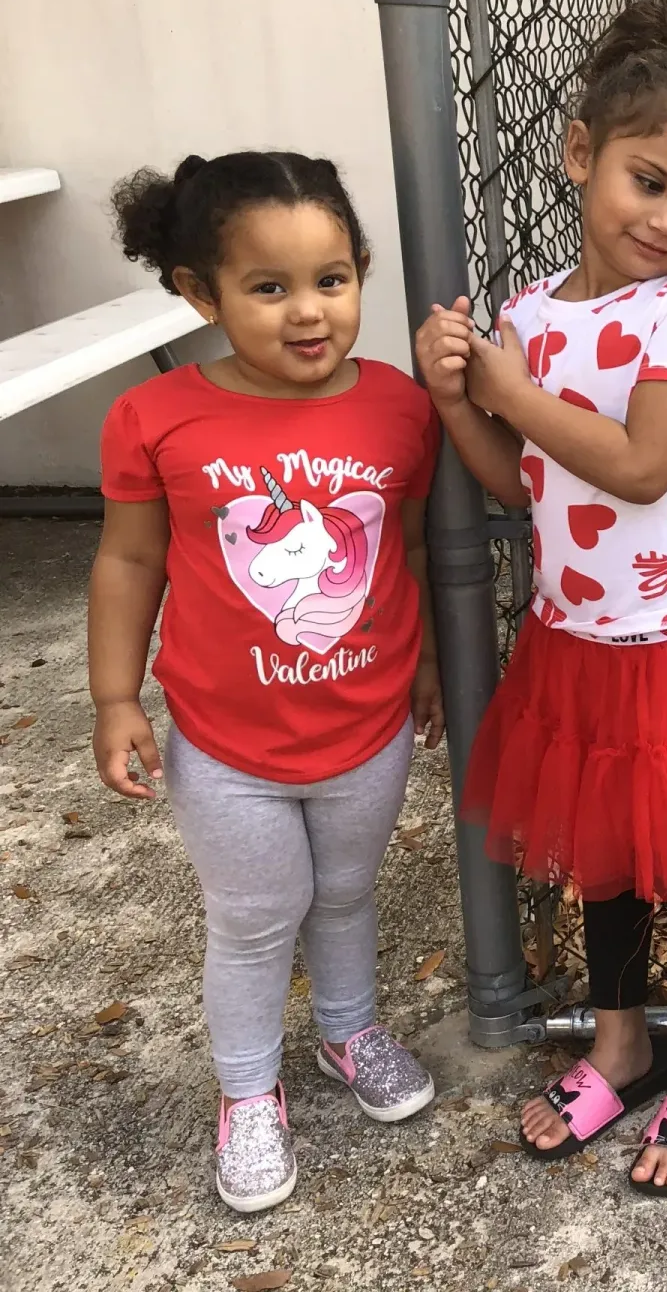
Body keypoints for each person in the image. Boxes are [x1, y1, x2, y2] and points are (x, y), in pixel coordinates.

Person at [416, 0, 667, 1196]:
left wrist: (509, 390)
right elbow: (517, 482)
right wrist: (452, 397)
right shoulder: (531, 315)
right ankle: (621, 1041)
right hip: (575, 629)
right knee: (608, 860)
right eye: (648, 183)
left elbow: (636, 468)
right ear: (584, 158)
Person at [92, 152, 442, 1212]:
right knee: (254, 915)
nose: (308, 313)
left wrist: (422, 662)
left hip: (365, 727)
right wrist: (115, 698)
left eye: (332, 281)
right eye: (268, 286)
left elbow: (411, 552)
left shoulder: (398, 410)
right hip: (225, 744)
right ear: (199, 292)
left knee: (342, 894)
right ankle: (247, 1093)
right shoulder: (156, 419)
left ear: (363, 274)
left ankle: (347, 1032)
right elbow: (128, 561)